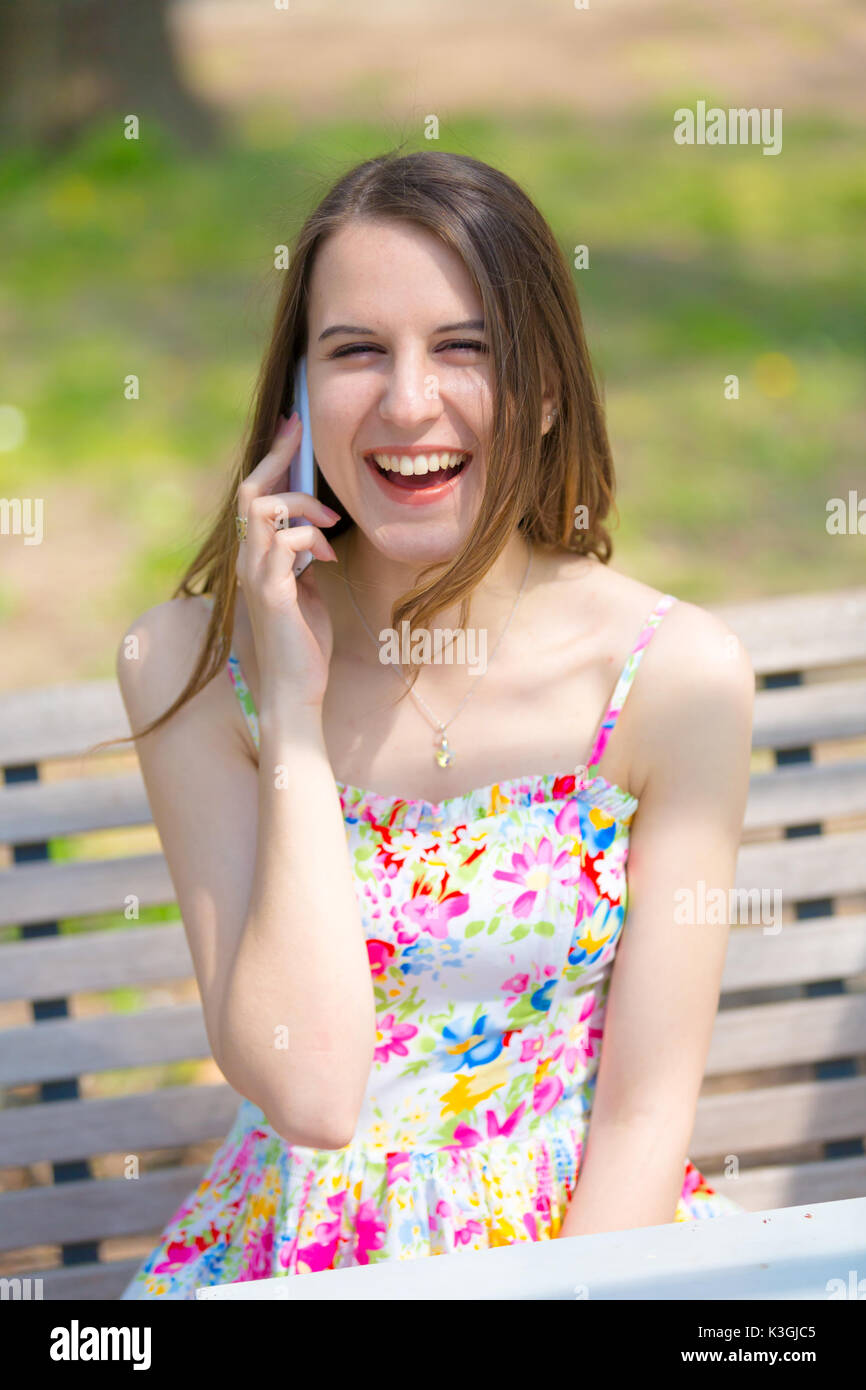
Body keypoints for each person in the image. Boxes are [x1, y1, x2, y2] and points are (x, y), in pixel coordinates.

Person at [115, 151, 754, 1299]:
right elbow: (309, 1095)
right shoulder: (194, 666)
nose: (410, 403)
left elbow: (646, 1110)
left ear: (547, 387)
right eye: (356, 351)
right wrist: (297, 725)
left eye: (464, 348)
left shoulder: (672, 678)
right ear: (295, 404)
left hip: (591, 1257)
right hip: (297, 1259)